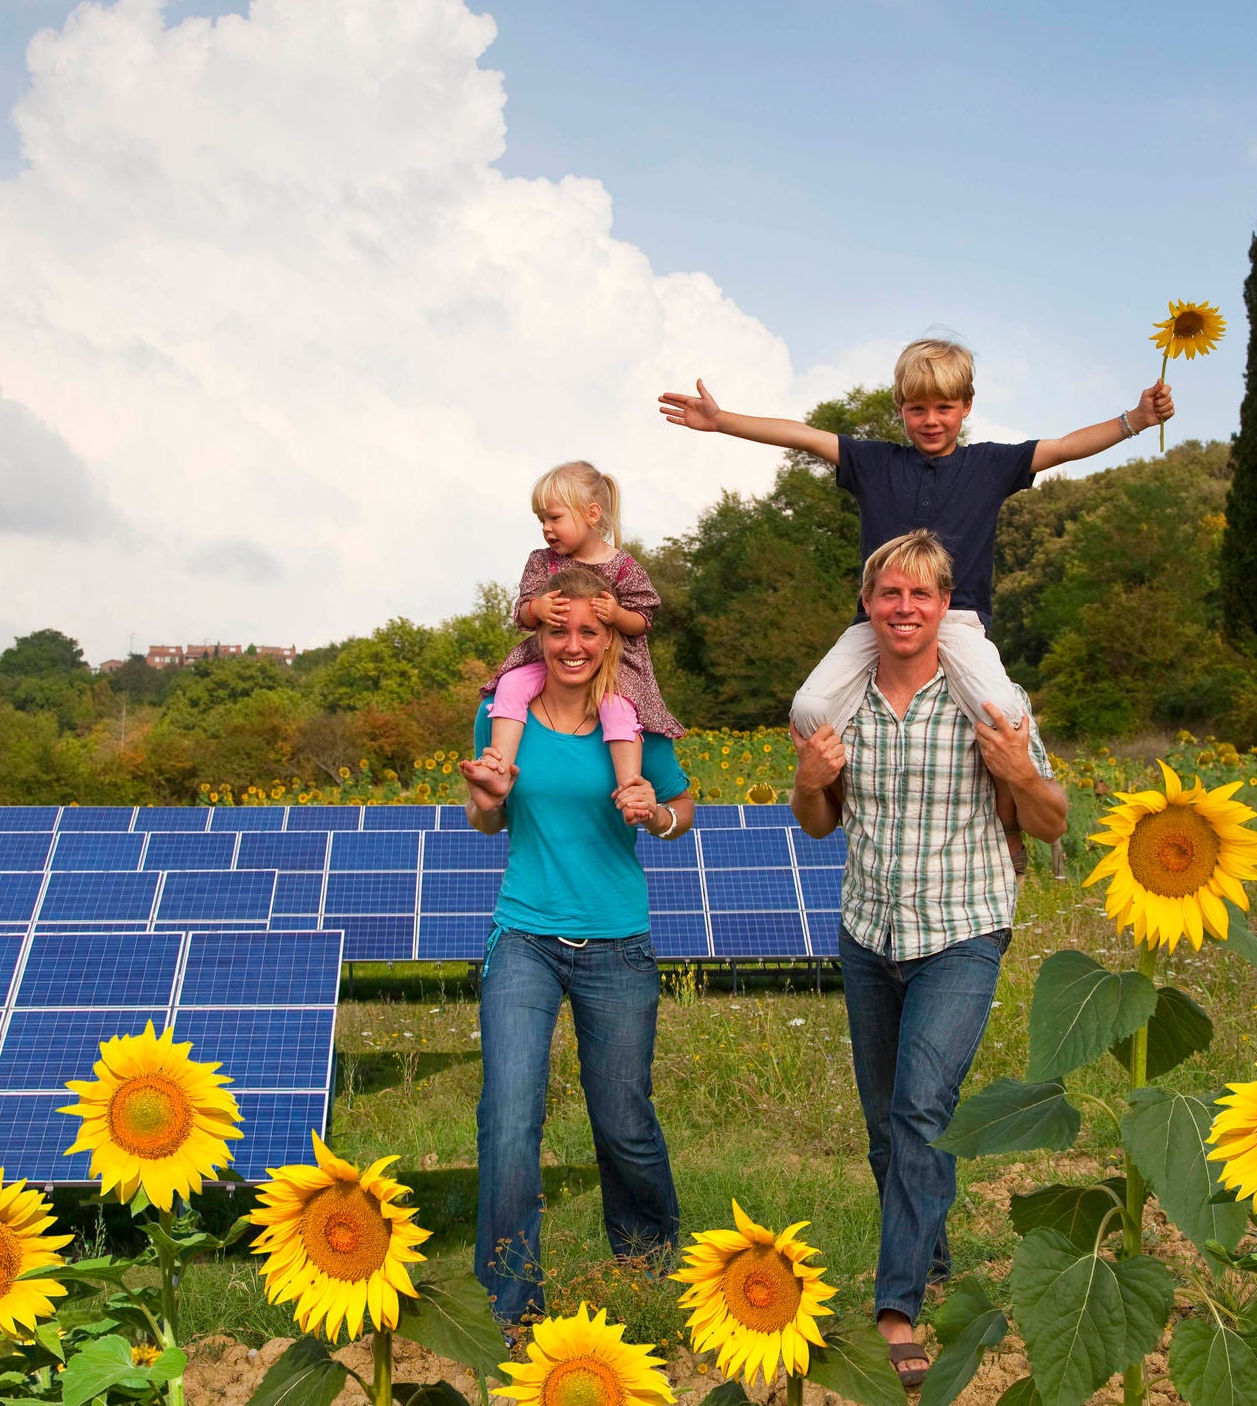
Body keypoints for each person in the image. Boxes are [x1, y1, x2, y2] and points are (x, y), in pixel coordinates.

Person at [661, 337, 1166, 867]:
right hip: (876, 623)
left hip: (958, 623)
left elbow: (1064, 447)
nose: (931, 420)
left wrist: (1136, 418)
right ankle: (844, 805)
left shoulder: (990, 466)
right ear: (899, 409)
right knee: (809, 708)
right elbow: (803, 436)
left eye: (944, 408)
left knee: (1006, 713)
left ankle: (1009, 820)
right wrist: (722, 420)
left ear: (966, 407)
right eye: (917, 408)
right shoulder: (874, 463)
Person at [789, 530, 1067, 1389]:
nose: (904, 608)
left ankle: (897, 1306)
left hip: (963, 929)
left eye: (921, 595)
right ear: (868, 608)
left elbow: (1054, 821)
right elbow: (818, 824)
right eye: (888, 595)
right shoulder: (840, 707)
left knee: (919, 1109)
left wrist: (1020, 770)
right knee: (890, 1130)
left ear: (947, 607)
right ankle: (936, 1267)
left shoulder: (990, 705)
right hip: (869, 931)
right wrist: (808, 777)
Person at [459, 562, 697, 1326]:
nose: (572, 644)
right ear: (538, 631)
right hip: (524, 934)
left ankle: (649, 1268)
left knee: (623, 1119)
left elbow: (682, 803)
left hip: (618, 943)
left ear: (608, 637)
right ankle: (508, 1303)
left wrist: (655, 814)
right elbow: (486, 820)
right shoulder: (502, 713)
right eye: (557, 629)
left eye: (588, 631)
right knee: (508, 1115)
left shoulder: (632, 719)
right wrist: (488, 800)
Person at [481, 460, 684, 797]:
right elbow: (522, 614)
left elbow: (643, 620)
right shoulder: (542, 562)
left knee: (619, 708)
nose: (546, 528)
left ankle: (629, 786)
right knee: (512, 684)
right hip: (547, 657)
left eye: (554, 517)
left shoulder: (623, 566)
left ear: (591, 513)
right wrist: (538, 608)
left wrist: (617, 614)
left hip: (615, 665)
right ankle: (499, 767)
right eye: (541, 519)